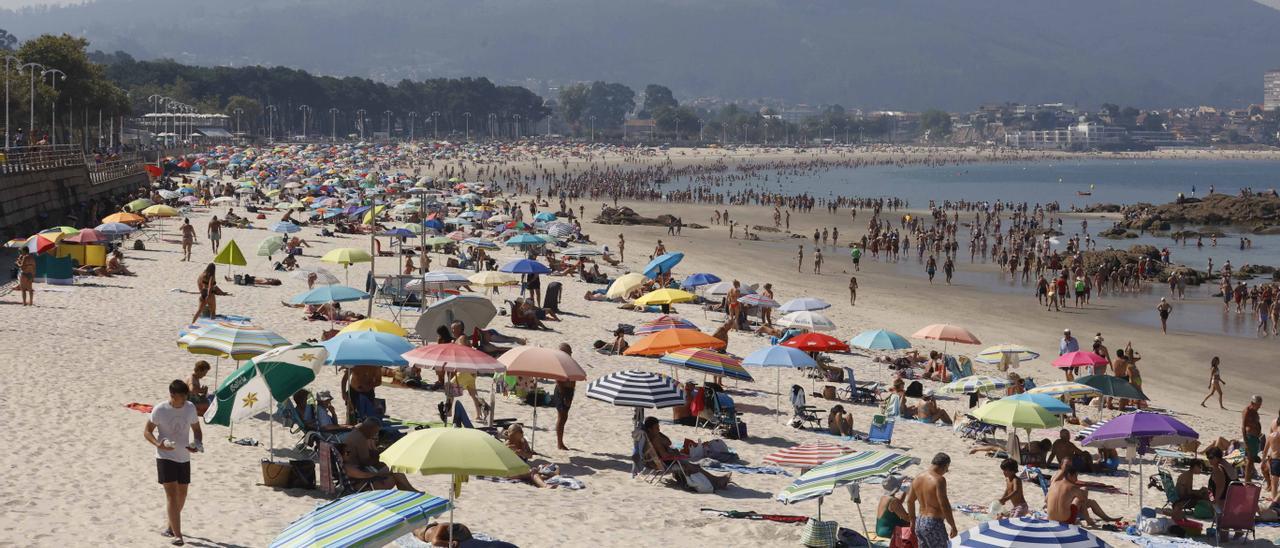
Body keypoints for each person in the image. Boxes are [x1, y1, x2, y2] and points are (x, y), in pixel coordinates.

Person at [143, 380, 203, 546]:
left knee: (182, 494)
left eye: (186, 397)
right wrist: (158, 444)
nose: (184, 401)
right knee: (172, 495)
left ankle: (170, 527)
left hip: (184, 456)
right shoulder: (160, 409)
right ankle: (178, 536)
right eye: (181, 397)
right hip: (164, 456)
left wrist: (197, 444)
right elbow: (147, 431)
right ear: (172, 395)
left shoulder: (190, 407)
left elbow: (197, 431)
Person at [642, 417, 731, 490]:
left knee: (694, 466)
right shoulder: (656, 440)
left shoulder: (652, 437)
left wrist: (659, 434)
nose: (659, 429)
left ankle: (717, 480)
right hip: (669, 462)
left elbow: (668, 442)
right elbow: (665, 455)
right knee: (696, 467)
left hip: (664, 462)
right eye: (656, 428)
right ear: (650, 429)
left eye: (659, 427)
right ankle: (717, 481)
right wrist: (676, 455)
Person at [342, 419, 417, 491]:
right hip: (364, 486)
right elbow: (366, 462)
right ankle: (409, 489)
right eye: (375, 432)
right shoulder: (360, 440)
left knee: (393, 469)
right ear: (369, 429)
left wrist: (378, 453)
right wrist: (380, 455)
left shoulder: (355, 433)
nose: (375, 435)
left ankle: (408, 489)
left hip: (361, 480)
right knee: (393, 468)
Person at [906, 452, 958, 547]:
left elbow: (909, 501)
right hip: (933, 523)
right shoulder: (939, 480)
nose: (946, 471)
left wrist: (912, 520)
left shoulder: (917, 478)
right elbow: (944, 505)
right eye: (947, 469)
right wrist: (953, 526)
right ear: (944, 465)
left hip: (920, 521)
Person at [1046, 460, 1119, 527]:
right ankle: (1090, 521)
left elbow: (1046, 500)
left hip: (1051, 520)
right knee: (1083, 500)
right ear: (1069, 475)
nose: (1076, 479)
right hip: (1066, 521)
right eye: (1075, 476)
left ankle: (1103, 518)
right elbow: (1083, 501)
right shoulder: (1072, 487)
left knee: (1085, 498)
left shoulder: (1054, 483)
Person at [553, 343, 577, 451]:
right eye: (569, 352)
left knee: (564, 417)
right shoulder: (560, 363)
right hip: (562, 391)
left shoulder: (568, 362)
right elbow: (559, 381)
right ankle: (559, 443)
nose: (570, 354)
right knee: (562, 417)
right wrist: (564, 396)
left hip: (569, 390)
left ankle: (560, 442)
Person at [1244, 395, 1263, 483]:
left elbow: (1256, 423)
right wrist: (1246, 442)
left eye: (1260, 405)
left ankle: (1249, 480)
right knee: (1250, 460)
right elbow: (1243, 427)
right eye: (1257, 405)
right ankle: (1247, 481)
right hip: (1250, 437)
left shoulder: (1255, 412)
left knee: (1252, 460)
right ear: (1252, 403)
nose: (1259, 407)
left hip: (1255, 438)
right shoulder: (1247, 411)